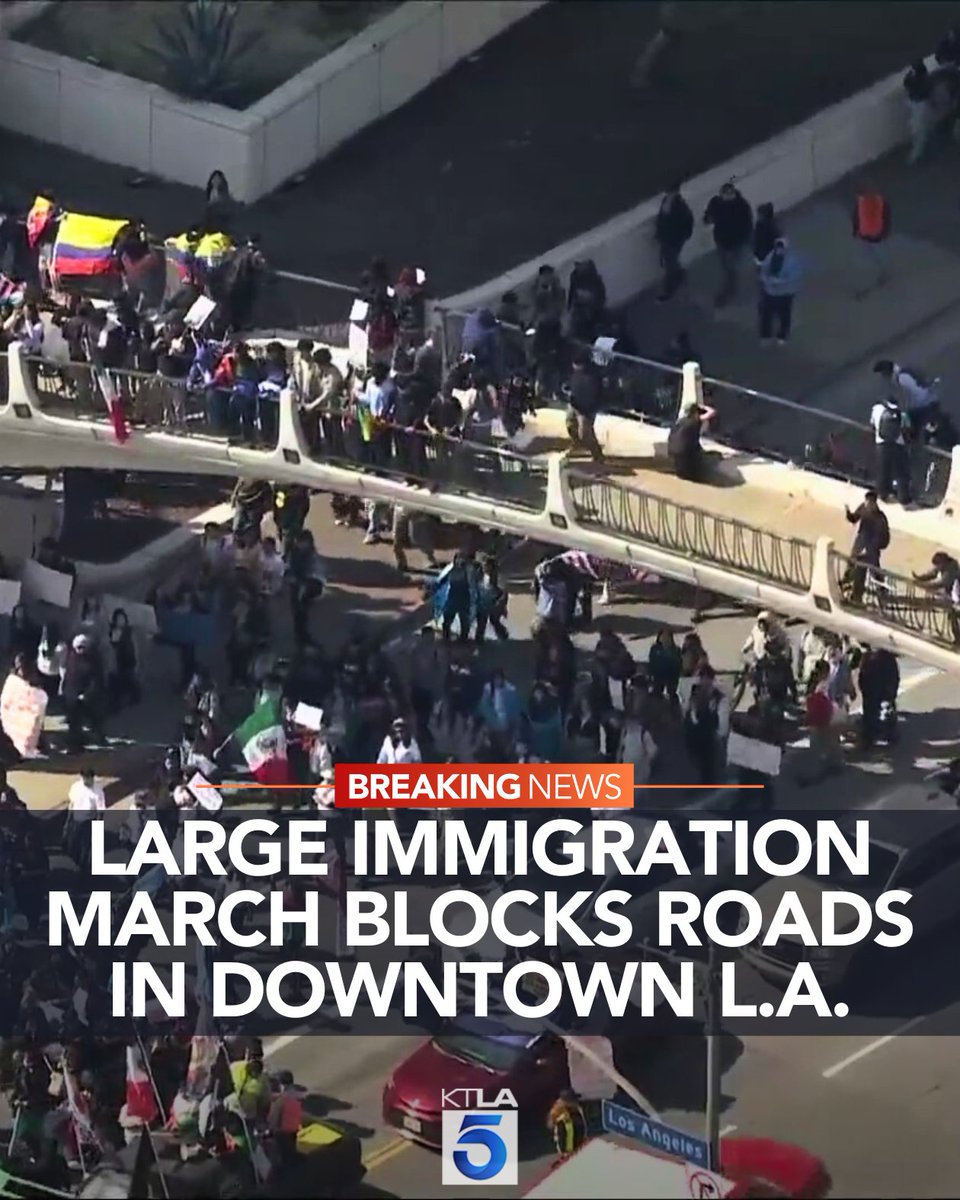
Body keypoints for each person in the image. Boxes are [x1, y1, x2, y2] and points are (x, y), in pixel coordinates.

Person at [702, 180, 753, 307]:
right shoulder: (720, 203)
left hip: (734, 242)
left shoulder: (740, 205)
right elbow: (708, 217)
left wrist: (744, 238)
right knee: (727, 266)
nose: (728, 196)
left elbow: (747, 223)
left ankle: (729, 290)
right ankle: (731, 287)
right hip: (723, 240)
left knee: (730, 267)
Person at [843, 490, 890, 603]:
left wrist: (878, 546)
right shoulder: (863, 509)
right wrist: (848, 513)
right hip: (861, 541)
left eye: (869, 502)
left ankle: (882, 590)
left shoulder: (880, 518)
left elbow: (885, 536)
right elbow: (854, 518)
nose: (867, 504)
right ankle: (847, 583)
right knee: (852, 562)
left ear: (874, 503)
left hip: (872, 546)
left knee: (874, 569)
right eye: (866, 501)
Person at [873, 360, 938, 436]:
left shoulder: (902, 378)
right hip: (925, 404)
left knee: (911, 429)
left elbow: (916, 394)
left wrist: (906, 410)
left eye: (882, 373)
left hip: (924, 406)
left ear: (887, 371)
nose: (882, 376)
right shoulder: (898, 377)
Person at [757, 238, 802, 345]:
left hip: (785, 294)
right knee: (766, 315)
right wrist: (767, 280)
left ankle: (782, 335)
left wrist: (779, 281)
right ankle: (765, 335)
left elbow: (793, 277)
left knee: (784, 315)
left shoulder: (791, 261)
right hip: (770, 292)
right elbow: (764, 271)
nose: (779, 251)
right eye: (778, 248)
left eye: (781, 249)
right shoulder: (770, 257)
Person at [654, 181, 694, 301]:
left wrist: (679, 236)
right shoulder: (670, 202)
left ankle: (669, 290)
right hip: (669, 239)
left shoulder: (677, 205)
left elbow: (684, 222)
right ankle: (674, 282)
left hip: (672, 239)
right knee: (669, 263)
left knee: (670, 265)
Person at [869, 393, 910, 505]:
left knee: (883, 471)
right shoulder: (902, 414)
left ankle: (883, 494)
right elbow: (907, 429)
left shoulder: (877, 410)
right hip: (897, 446)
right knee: (901, 472)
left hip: (881, 445)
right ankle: (903, 497)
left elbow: (872, 425)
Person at [858, 644, 900, 749]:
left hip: (875, 690)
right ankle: (874, 736)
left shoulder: (869, 658)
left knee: (872, 713)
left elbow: (862, 675)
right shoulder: (885, 658)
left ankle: (870, 737)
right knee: (875, 713)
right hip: (876, 690)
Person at [667, 398, 717, 482]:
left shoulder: (679, 421)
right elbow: (712, 412)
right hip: (684, 452)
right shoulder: (695, 420)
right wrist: (703, 406)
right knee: (709, 458)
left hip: (672, 450)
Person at [565, 351, 603, 462]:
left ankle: (597, 454)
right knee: (570, 424)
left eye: (576, 365)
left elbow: (593, 395)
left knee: (585, 434)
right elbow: (572, 384)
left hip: (586, 409)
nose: (574, 367)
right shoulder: (575, 372)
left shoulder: (592, 377)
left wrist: (588, 411)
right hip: (574, 404)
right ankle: (577, 445)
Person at [852, 189, 891, 296]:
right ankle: (884, 273)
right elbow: (886, 218)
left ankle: (882, 274)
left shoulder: (861, 203)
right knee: (878, 254)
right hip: (875, 235)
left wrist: (855, 231)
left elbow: (856, 218)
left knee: (871, 255)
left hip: (866, 234)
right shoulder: (880, 202)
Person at [66, 768, 105, 869]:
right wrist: (68, 821)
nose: (88, 781)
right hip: (75, 820)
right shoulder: (76, 787)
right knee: (72, 844)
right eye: (86, 779)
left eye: (90, 779)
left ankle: (83, 867)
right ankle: (74, 863)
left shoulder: (97, 790)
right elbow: (71, 804)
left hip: (89, 822)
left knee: (85, 846)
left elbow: (101, 810)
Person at [106, 608, 140, 710]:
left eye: (122, 619)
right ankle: (115, 704)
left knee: (130, 679)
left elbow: (135, 645)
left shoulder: (129, 631)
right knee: (115, 682)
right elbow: (110, 645)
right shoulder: (111, 631)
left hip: (127, 659)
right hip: (116, 660)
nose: (120, 621)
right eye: (118, 619)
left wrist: (137, 660)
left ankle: (135, 696)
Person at [904, 60, 934, 164]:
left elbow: (908, 84)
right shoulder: (920, 76)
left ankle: (916, 155)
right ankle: (919, 154)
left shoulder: (919, 77)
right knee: (919, 129)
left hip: (918, 104)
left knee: (918, 130)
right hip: (917, 103)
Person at [547, 1090, 588, 1158]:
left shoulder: (577, 1110)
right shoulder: (558, 1113)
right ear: (565, 1101)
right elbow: (552, 1126)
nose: (576, 1101)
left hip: (579, 1147)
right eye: (573, 1100)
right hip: (568, 1152)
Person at [752, 202, 780, 266]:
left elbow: (757, 243)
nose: (757, 216)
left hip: (766, 255)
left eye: (758, 214)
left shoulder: (760, 226)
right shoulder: (772, 223)